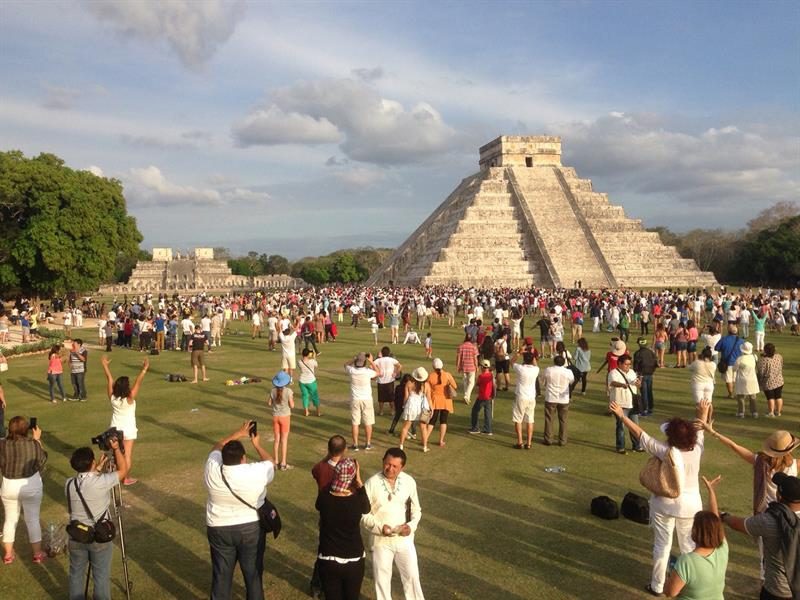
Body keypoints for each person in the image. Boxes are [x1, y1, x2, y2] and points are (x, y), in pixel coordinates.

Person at [609, 400, 709, 596]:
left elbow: (641, 435)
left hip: (665, 504)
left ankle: (657, 585)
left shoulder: (667, 451)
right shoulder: (697, 448)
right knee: (688, 545)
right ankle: (688, 584)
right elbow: (700, 431)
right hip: (690, 505)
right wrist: (702, 413)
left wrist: (622, 416)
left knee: (662, 546)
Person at [204, 421, 275, 600]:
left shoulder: (212, 468)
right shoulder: (255, 471)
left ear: (223, 458)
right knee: (253, 575)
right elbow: (270, 463)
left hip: (219, 527)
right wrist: (256, 444)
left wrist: (238, 433)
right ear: (243, 458)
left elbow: (217, 446)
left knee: (221, 575)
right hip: (250, 528)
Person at [65, 433, 130, 599]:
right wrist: (116, 448)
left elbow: (86, 482)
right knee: (100, 577)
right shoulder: (101, 483)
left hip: (77, 536)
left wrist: (97, 469)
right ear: (92, 462)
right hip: (98, 537)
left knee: (76, 575)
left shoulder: (69, 484)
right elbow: (123, 471)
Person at [720, 471, 800, 600]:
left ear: (779, 495)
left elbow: (738, 524)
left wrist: (723, 516)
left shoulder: (769, 520)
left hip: (776, 591)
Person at [361, 448, 425, 600]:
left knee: (412, 577)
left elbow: (416, 509)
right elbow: (363, 515)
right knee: (382, 580)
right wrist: (379, 527)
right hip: (380, 541)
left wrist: (411, 527)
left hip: (404, 540)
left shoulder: (409, 482)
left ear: (402, 467)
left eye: (395, 466)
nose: (390, 468)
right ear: (383, 461)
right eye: (387, 464)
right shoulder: (371, 483)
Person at [663, 475, 728, 599]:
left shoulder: (687, 561)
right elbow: (716, 518)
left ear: (695, 532)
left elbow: (670, 592)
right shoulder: (722, 548)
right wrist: (711, 491)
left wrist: (668, 578)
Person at [315, 458, 370, 600]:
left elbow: (319, 503)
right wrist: (358, 481)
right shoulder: (357, 500)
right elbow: (366, 508)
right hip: (354, 559)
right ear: (352, 476)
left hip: (328, 558)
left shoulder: (324, 498)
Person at [0, 417, 47, 564]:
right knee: (32, 519)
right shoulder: (33, 444)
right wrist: (37, 440)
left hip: (9, 484)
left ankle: (8, 554)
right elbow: (42, 461)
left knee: (10, 519)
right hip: (30, 484)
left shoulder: (2, 445)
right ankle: (37, 554)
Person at [101, 355, 148, 486]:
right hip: (129, 429)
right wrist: (144, 369)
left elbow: (109, 379)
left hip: (115, 429)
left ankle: (116, 474)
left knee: (116, 453)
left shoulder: (112, 398)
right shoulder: (130, 398)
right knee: (127, 455)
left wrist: (105, 365)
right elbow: (138, 382)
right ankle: (125, 477)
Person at [344, 353, 380, 451]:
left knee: (355, 423)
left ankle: (355, 444)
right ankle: (368, 443)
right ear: (364, 362)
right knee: (368, 422)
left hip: (355, 399)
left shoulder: (351, 370)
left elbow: (345, 365)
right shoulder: (368, 371)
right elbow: (378, 372)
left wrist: (354, 358)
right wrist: (371, 361)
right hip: (367, 399)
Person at [608, 354, 642, 454]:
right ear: (619, 364)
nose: (628, 366)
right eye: (626, 364)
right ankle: (620, 447)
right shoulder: (613, 372)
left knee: (635, 426)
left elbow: (637, 385)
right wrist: (623, 385)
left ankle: (637, 446)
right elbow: (612, 383)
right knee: (621, 426)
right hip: (620, 404)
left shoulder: (632, 372)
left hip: (632, 402)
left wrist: (639, 384)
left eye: (629, 364)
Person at [542, 355, 574, 446]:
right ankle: (563, 440)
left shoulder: (549, 370)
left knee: (549, 419)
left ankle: (548, 439)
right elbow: (571, 381)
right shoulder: (568, 372)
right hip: (563, 398)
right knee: (563, 419)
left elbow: (543, 381)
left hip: (551, 397)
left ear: (554, 362)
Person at [510, 351, 539, 449]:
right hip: (531, 397)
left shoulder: (520, 368)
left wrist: (519, 352)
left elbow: (512, 362)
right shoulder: (535, 369)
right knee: (530, 420)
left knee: (518, 419)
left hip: (521, 396)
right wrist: (532, 355)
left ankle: (520, 442)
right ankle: (529, 443)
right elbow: (535, 363)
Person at [425, 358, 457, 448]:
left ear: (433, 366)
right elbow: (455, 386)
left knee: (432, 421)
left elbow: (427, 388)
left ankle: (425, 438)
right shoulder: (447, 375)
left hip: (435, 400)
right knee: (443, 421)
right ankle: (441, 440)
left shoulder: (431, 376)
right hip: (446, 401)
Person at [399, 368, 432, 452]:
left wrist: (403, 405)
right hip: (421, 407)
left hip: (411, 406)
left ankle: (401, 445)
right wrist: (432, 408)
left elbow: (406, 397)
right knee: (423, 428)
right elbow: (429, 398)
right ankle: (424, 447)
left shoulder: (409, 384)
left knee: (405, 427)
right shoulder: (426, 385)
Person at [267, 371, 294, 470]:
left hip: (275, 417)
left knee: (277, 440)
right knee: (284, 440)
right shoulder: (288, 391)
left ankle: (276, 461)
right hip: (285, 417)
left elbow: (269, 403)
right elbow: (292, 405)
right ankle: (283, 463)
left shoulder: (272, 390)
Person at [715, 324, 744, 399]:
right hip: (738, 362)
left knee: (728, 379)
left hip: (728, 362)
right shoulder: (741, 340)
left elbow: (716, 348)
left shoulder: (724, 339)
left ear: (728, 331)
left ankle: (731, 394)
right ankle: (735, 392)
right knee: (735, 379)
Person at [757, 343, 785, 418]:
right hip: (779, 380)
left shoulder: (764, 360)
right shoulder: (779, 356)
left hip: (768, 382)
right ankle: (778, 412)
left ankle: (771, 412)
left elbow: (761, 372)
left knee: (770, 397)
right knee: (778, 396)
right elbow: (781, 365)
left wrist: (760, 380)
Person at [689, 347, 717, 417]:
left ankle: (699, 420)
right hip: (709, 384)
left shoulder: (697, 363)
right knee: (708, 403)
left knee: (699, 404)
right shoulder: (713, 364)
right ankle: (709, 419)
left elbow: (690, 367)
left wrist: (697, 359)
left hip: (698, 384)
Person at [734, 341, 759, 418]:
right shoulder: (754, 357)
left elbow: (734, 369)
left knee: (741, 397)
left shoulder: (740, 359)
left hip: (742, 379)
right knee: (753, 396)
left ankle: (741, 412)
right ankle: (754, 412)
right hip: (752, 379)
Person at [633, 337, 658, 416]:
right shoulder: (651, 352)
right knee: (649, 391)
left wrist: (636, 373)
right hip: (650, 374)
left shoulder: (638, 353)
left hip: (641, 374)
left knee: (644, 392)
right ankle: (650, 408)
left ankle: (645, 409)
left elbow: (635, 366)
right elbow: (655, 363)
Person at [374, 347, 401, 417]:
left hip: (381, 381)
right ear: (389, 353)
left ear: (382, 353)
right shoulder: (392, 359)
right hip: (390, 381)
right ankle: (392, 411)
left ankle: (381, 411)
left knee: (381, 398)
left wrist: (378, 371)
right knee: (391, 397)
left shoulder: (378, 360)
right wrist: (395, 373)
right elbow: (400, 366)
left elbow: (371, 366)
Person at [469, 360, 494, 435]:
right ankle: (488, 429)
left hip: (482, 397)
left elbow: (477, 384)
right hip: (489, 396)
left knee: (475, 411)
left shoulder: (481, 376)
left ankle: (475, 428)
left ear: (483, 367)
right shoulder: (491, 375)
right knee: (488, 413)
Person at [456, 335, 478, 406]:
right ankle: (467, 396)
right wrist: (476, 366)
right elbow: (475, 358)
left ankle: (466, 396)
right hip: (471, 366)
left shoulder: (461, 346)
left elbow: (459, 357)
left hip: (464, 366)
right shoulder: (473, 347)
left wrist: (458, 366)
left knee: (465, 382)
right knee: (471, 383)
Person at [298, 349, 321, 417]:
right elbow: (316, 365)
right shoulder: (312, 361)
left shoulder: (299, 361)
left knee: (305, 396)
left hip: (302, 381)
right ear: (309, 354)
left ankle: (306, 411)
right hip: (311, 381)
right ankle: (318, 412)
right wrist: (314, 357)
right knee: (315, 396)